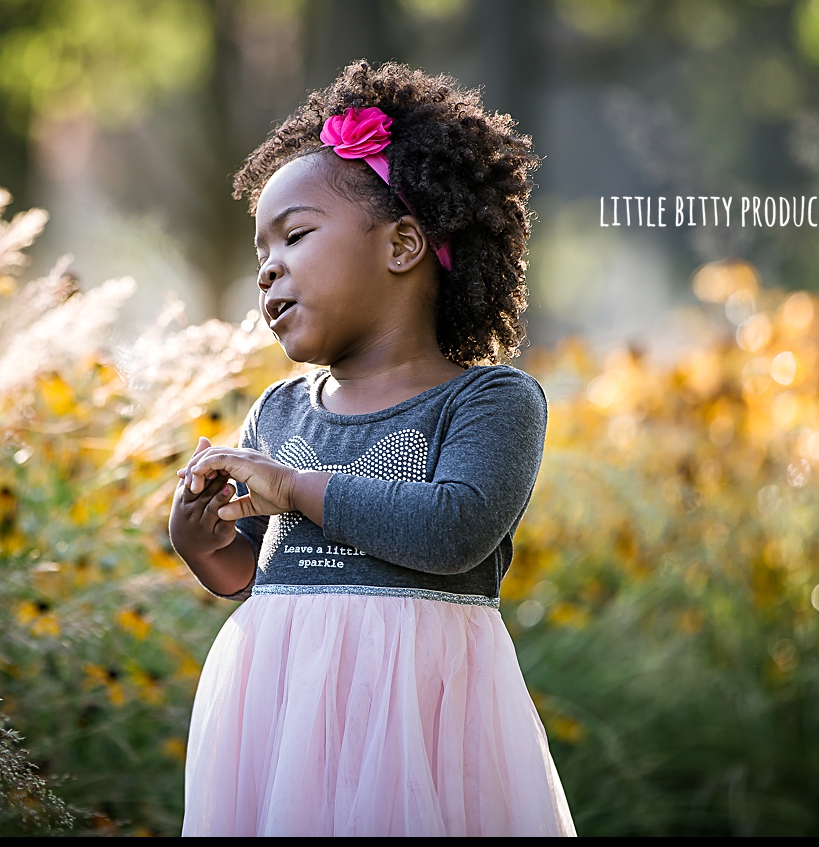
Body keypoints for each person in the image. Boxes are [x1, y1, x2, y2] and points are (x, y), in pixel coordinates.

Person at [169, 60, 575, 836]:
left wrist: (294, 487)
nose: (267, 268)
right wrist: (200, 540)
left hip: (423, 720)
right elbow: (249, 570)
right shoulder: (280, 411)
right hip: (282, 717)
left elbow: (453, 530)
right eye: (260, 251)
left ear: (402, 245)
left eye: (295, 234)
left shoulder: (489, 401)